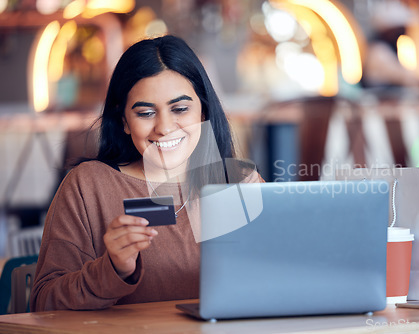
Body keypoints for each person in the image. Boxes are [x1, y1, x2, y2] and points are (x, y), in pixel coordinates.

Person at [30, 35, 263, 311]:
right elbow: (44, 304)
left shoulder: (241, 183)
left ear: (203, 112)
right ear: (124, 122)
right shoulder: (88, 186)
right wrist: (113, 269)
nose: (164, 127)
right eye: (146, 113)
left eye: (180, 109)